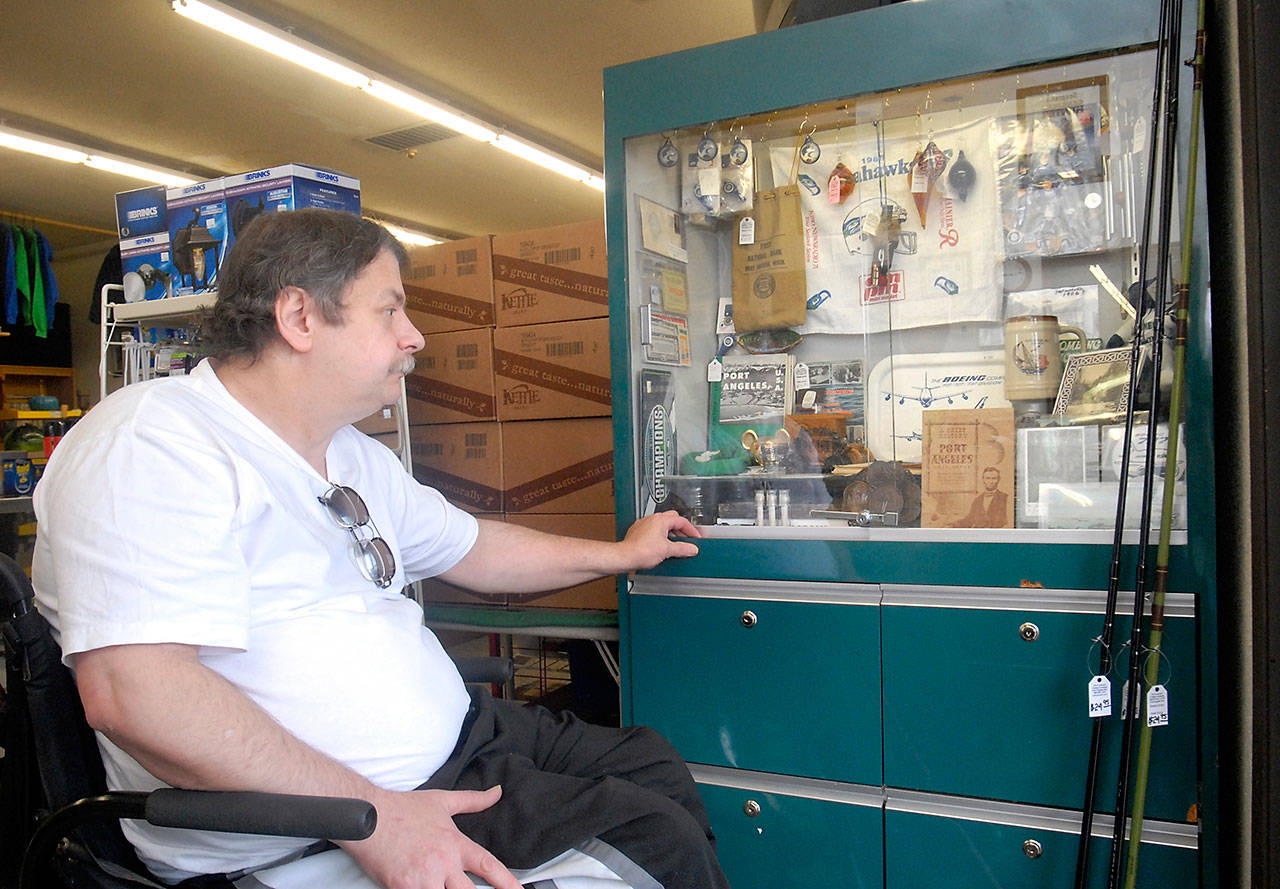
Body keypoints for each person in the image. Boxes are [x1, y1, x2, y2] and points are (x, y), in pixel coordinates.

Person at [32, 209, 729, 889]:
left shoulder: (348, 452)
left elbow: (474, 547)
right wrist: (375, 820)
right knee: (650, 841)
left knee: (649, 764)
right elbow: (137, 694)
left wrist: (620, 553)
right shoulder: (151, 444)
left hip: (455, 750)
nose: (415, 337)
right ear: (299, 317)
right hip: (313, 827)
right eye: (389, 311)